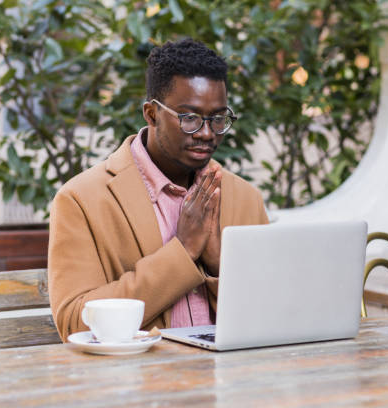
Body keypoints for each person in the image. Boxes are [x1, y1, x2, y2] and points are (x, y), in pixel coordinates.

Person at [48, 38, 269, 341]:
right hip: (139, 381)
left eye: (218, 119)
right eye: (189, 118)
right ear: (151, 114)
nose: (206, 133)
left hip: (229, 380)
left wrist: (219, 267)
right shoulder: (81, 200)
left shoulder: (245, 199)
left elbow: (270, 314)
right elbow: (74, 323)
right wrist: (183, 251)